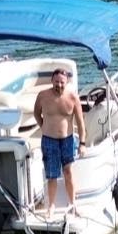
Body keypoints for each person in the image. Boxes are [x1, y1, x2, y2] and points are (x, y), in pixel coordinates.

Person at [33, 68, 87, 216]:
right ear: (52, 81)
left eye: (62, 82)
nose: (59, 85)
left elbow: (81, 122)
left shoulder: (73, 98)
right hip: (49, 140)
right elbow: (36, 113)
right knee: (52, 175)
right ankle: (51, 207)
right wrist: (43, 125)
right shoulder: (43, 96)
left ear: (67, 82)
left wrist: (82, 143)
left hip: (67, 140)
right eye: (56, 82)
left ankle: (73, 205)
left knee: (68, 172)